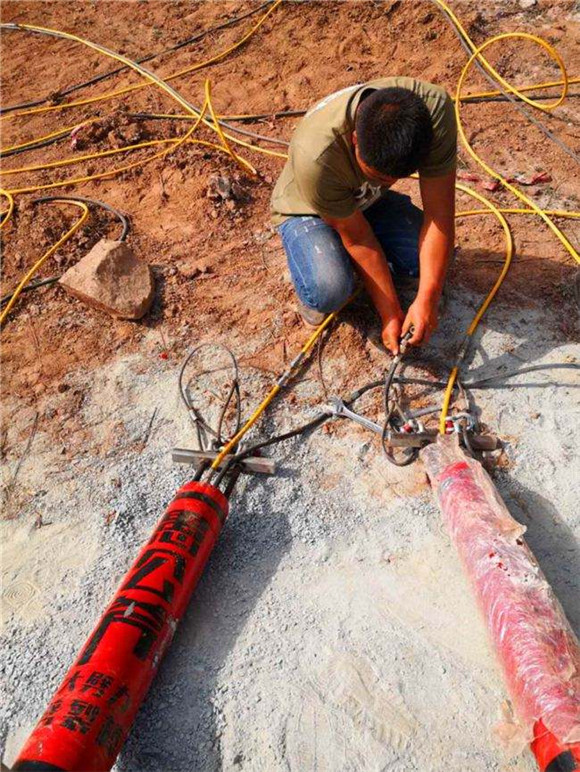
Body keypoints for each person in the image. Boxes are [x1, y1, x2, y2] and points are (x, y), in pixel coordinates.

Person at [271, 77, 457, 354]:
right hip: (307, 208)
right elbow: (358, 239)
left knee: (428, 264)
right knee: (329, 289)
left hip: (367, 200)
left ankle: (359, 258)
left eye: (397, 178)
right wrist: (390, 314)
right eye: (379, 176)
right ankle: (323, 267)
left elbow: (439, 216)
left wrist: (427, 297)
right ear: (354, 139)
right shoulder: (317, 157)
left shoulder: (435, 112)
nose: (390, 181)